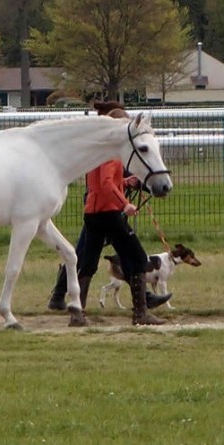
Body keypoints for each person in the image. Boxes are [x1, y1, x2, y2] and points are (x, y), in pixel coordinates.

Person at [47, 102, 170, 314]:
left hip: (95, 209)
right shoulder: (110, 152)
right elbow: (105, 183)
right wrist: (125, 203)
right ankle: (142, 308)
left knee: (86, 259)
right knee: (135, 256)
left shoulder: (99, 150)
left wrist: (125, 182)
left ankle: (74, 309)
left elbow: (104, 181)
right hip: (108, 210)